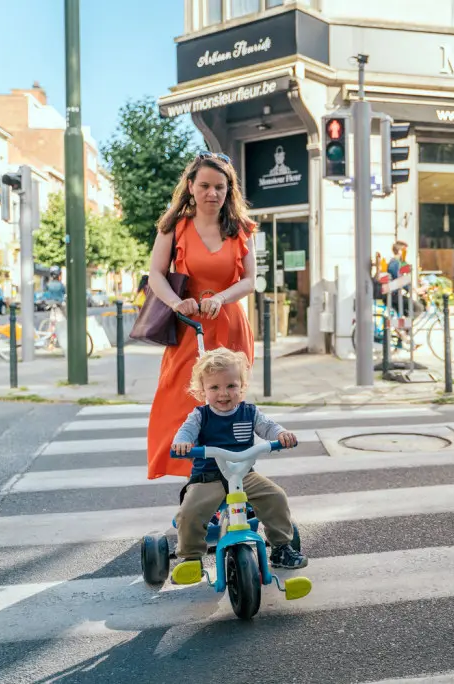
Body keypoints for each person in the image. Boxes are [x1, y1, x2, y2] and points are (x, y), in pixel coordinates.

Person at [145, 151, 257, 481]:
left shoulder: (241, 229)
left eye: (220, 187)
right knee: (179, 404)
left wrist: (222, 297)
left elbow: (250, 281)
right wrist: (176, 303)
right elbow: (155, 274)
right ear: (191, 186)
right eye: (205, 185)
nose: (212, 193)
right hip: (189, 329)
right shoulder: (174, 227)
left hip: (229, 326)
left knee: (226, 404)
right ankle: (195, 483)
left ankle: (226, 484)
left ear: (229, 190)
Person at [169, 347, 306, 583]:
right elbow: (185, 433)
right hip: (208, 477)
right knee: (188, 513)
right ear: (202, 390)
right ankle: (191, 558)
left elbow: (269, 427)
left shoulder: (249, 412)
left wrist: (281, 434)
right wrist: (182, 443)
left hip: (244, 476)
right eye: (214, 387)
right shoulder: (200, 416)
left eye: (231, 386)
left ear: (241, 386)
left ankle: (281, 547)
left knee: (276, 496)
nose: (224, 394)